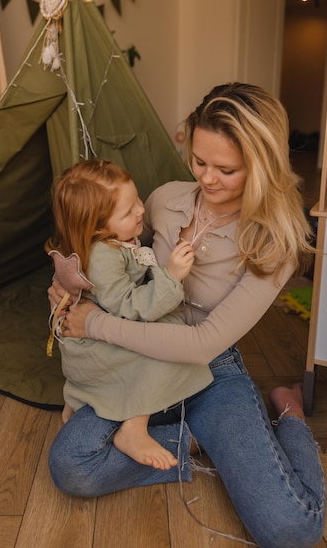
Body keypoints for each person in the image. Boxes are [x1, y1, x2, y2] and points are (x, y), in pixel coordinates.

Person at [47, 83, 325, 548]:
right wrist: (69, 288)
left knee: (291, 529)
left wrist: (94, 323)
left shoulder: (272, 243)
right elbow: (112, 253)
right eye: (199, 161)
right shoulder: (162, 199)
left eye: (226, 169)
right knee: (71, 465)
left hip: (211, 369)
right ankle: (198, 439)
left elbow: (202, 345)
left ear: (262, 165)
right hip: (134, 360)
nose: (208, 179)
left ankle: (288, 411)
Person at [47, 159, 213, 470]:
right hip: (96, 347)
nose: (140, 210)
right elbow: (131, 309)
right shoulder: (103, 257)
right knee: (160, 355)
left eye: (137, 199)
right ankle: (134, 429)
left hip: (93, 339)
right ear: (97, 226)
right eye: (128, 211)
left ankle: (74, 406)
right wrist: (172, 276)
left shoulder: (114, 241)